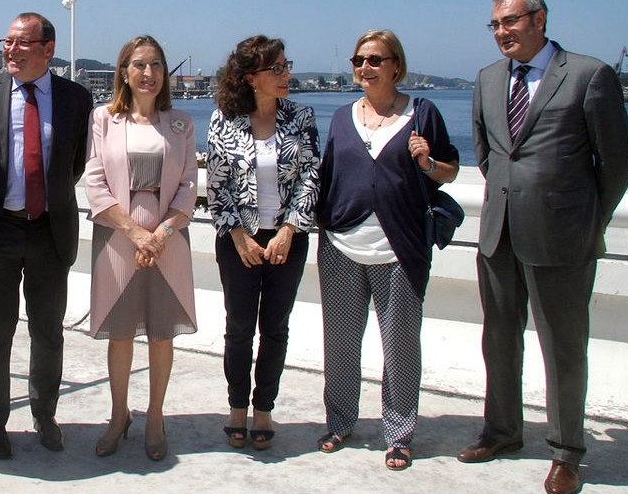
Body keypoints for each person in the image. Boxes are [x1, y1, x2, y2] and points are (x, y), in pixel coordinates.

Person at [460, 0, 628, 494]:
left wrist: (587, 223)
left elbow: (614, 165)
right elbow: (490, 157)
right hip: (498, 234)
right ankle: (502, 431)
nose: (501, 32)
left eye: (510, 21)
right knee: (498, 339)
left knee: (563, 347)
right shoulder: (488, 79)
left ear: (539, 19)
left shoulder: (588, 75)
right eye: (494, 24)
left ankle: (566, 453)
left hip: (563, 238)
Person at [315, 30, 459, 470]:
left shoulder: (422, 113)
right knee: (340, 343)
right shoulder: (342, 117)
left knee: (400, 347)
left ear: (397, 65)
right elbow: (328, 176)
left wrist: (427, 163)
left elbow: (449, 171)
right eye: (359, 59)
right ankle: (340, 422)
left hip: (399, 250)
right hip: (341, 246)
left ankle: (398, 434)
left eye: (376, 59)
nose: (365, 67)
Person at [0, 13, 92, 459]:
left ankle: (45, 414)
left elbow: (76, 164)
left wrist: (45, 196)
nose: (11, 50)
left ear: (48, 50)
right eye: (7, 42)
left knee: (48, 331)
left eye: (22, 43)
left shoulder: (76, 98)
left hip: (49, 231)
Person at [84, 36, 198, 461]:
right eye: (139, 65)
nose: (148, 73)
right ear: (124, 72)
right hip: (118, 237)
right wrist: (134, 233)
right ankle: (119, 415)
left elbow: (189, 185)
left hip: (169, 240)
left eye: (156, 65)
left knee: (161, 334)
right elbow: (95, 181)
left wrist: (161, 235)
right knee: (120, 334)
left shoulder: (181, 123)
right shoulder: (103, 119)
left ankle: (155, 417)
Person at [206, 35, 319, 451]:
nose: (287, 74)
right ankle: (237, 407)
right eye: (277, 68)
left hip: (288, 239)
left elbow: (311, 176)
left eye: (287, 66)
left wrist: (289, 229)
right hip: (238, 240)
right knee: (239, 328)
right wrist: (239, 236)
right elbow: (217, 186)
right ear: (252, 78)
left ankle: (264, 409)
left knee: (275, 328)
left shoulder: (301, 116)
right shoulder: (224, 119)